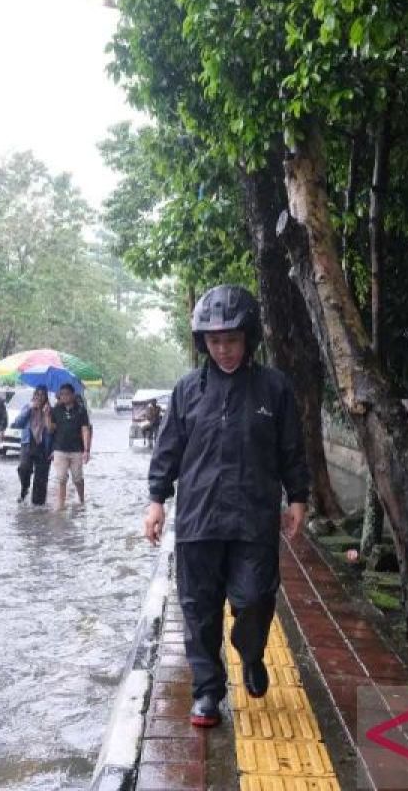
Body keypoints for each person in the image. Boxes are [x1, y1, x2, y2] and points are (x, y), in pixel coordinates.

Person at [144, 285, 309, 728]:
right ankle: (207, 693)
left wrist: (298, 497)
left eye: (232, 340)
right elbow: (168, 450)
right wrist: (156, 500)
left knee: (255, 598)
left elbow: (291, 448)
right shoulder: (188, 390)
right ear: (203, 343)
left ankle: (251, 654)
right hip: (198, 519)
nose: (224, 350)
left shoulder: (273, 388)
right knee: (198, 610)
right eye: (215, 342)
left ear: (249, 338)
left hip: (253, 519)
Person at [51, 383, 91, 510]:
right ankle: (61, 505)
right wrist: (47, 415)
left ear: (73, 395)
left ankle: (81, 499)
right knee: (61, 478)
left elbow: (85, 430)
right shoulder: (55, 410)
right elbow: (50, 428)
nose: (64, 396)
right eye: (62, 394)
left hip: (76, 450)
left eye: (67, 394)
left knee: (77, 478)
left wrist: (86, 450)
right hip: (60, 449)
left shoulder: (80, 410)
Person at [13, 386, 56, 505]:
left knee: (41, 480)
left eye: (42, 395)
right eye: (37, 394)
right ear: (34, 396)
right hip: (28, 444)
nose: (39, 397)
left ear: (46, 397)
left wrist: (47, 415)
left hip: (44, 448)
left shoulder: (51, 411)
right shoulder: (28, 407)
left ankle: (38, 510)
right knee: (23, 468)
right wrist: (29, 409)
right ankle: (24, 488)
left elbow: (54, 432)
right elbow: (17, 423)